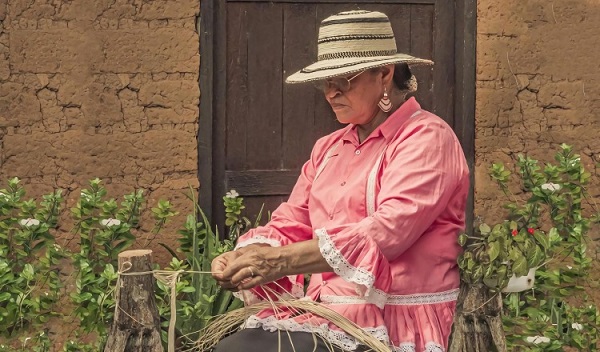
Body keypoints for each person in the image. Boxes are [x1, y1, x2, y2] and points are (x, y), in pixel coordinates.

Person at [211, 9, 470, 352]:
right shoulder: (329, 148)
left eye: (343, 80)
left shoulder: (427, 138)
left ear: (384, 74)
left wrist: (281, 261)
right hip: (327, 315)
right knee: (235, 348)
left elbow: (387, 231)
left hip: (391, 318)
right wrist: (250, 253)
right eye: (324, 82)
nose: (330, 93)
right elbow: (293, 220)